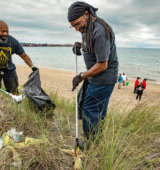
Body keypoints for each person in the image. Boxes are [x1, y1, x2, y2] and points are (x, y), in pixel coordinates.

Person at [68, 1, 118, 140]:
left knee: (90, 109)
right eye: (73, 27)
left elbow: (102, 65)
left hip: (103, 78)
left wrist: (81, 76)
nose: (77, 28)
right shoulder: (87, 27)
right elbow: (89, 43)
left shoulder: (100, 32)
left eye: (77, 24)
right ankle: (97, 140)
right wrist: (80, 46)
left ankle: (91, 144)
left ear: (86, 14)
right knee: (97, 110)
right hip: (95, 77)